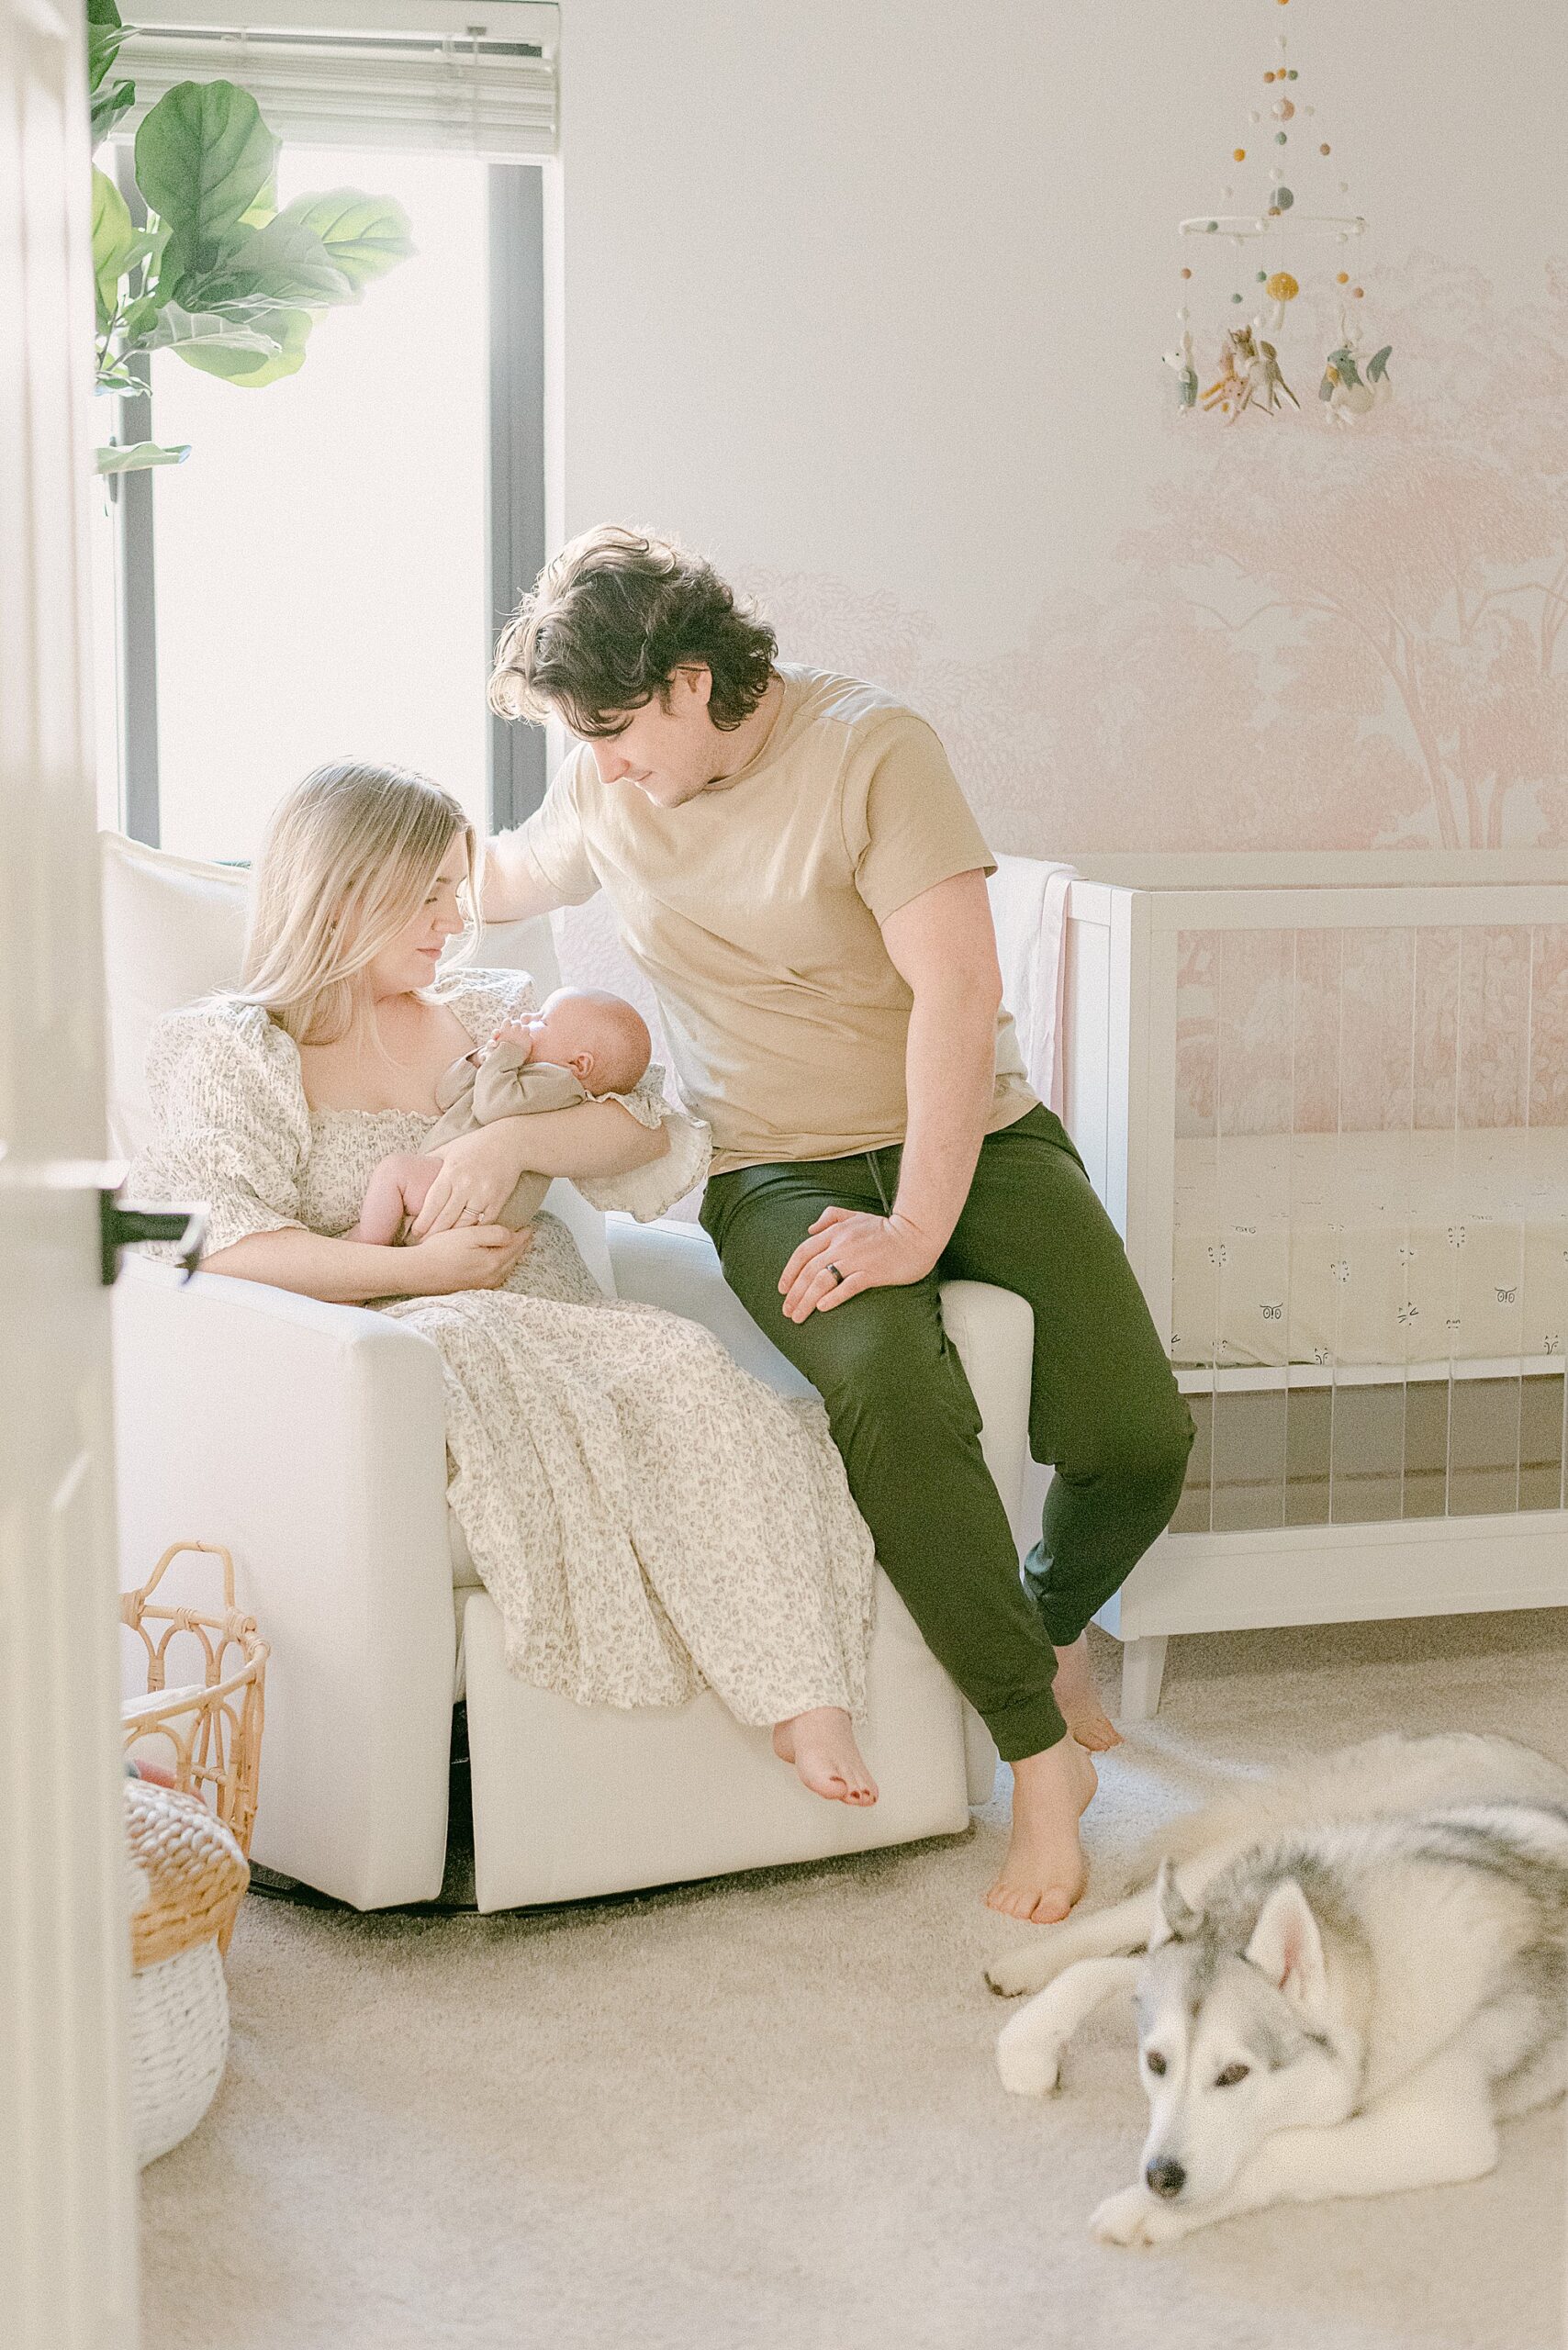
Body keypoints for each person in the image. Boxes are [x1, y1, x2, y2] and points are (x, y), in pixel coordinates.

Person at [484, 528, 1195, 1924]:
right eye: (587, 739)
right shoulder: (608, 786)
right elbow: (492, 878)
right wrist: (331, 893)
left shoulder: (874, 750)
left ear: (694, 682)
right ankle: (1038, 1760)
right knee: (888, 1386)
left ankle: (1051, 1624)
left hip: (972, 1142)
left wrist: (921, 1224)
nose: (607, 762)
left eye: (621, 729)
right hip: (776, 1171)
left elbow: (954, 994)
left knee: (1139, 1439)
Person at [130, 760, 882, 1808]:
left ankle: (805, 1698)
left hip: (558, 1306)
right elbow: (222, 1242)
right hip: (398, 1333)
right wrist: (413, 1267)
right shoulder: (235, 1048)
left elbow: (645, 1123)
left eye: (456, 888)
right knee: (517, 1370)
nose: (454, 920)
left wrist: (514, 1141)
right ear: (345, 890)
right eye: (428, 894)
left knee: (690, 1370)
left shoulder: (490, 1018)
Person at [345, 986, 654, 1246]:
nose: (526, 1019)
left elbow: (492, 1106)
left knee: (394, 1171)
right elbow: (447, 1095)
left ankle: (366, 1245)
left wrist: (506, 1053)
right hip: (457, 1188)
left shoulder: (560, 1086)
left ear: (579, 1064)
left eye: (541, 1021)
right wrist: (480, 1059)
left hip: (475, 1198)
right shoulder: (516, 1073)